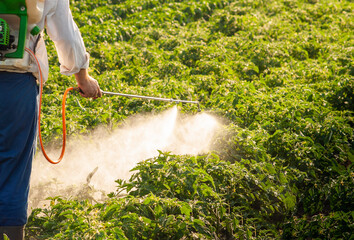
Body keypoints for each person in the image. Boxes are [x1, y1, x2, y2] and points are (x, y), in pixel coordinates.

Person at [0, 0, 102, 239]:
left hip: (17, 87)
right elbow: (65, 34)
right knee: (13, 169)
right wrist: (83, 78)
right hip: (15, 86)